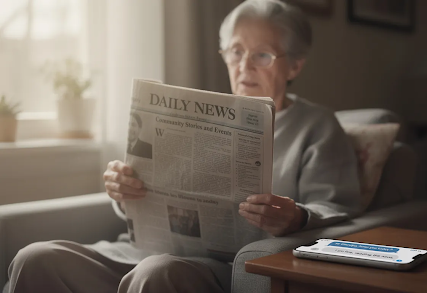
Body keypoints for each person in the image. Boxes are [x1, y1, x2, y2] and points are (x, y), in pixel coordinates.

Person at [4, 1, 360, 292]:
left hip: (218, 265)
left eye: (262, 55)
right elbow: (145, 205)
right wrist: (124, 191)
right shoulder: (195, 115)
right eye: (235, 51)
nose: (244, 65)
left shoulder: (317, 125)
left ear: (294, 65)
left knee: (156, 274)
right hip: (140, 250)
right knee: (34, 258)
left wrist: (296, 216)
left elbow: (337, 207)